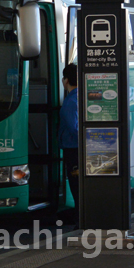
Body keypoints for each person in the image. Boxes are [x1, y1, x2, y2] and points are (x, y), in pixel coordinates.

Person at [58, 63, 79, 228]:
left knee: (76, 184)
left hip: (73, 149)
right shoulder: (84, 96)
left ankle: (80, 217)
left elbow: (74, 128)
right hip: (80, 148)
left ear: (66, 80)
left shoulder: (70, 101)